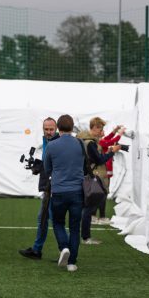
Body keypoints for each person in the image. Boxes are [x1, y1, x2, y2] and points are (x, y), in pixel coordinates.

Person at [43, 114, 88, 272]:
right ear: (72, 126)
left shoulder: (52, 145)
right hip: (77, 191)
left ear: (58, 128)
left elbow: (47, 169)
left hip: (59, 190)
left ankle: (63, 247)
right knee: (75, 227)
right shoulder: (80, 143)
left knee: (57, 222)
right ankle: (72, 263)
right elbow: (84, 163)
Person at [77, 117, 121, 245]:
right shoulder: (90, 143)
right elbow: (100, 160)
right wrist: (112, 152)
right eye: (100, 129)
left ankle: (82, 236)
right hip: (90, 178)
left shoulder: (81, 140)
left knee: (83, 208)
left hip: (82, 176)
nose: (101, 132)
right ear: (95, 127)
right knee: (88, 209)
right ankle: (86, 237)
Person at [19, 117, 57, 260]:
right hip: (48, 186)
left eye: (51, 129)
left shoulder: (56, 142)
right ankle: (37, 249)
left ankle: (65, 250)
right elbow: (48, 163)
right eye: (46, 129)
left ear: (56, 128)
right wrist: (38, 167)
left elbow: (56, 164)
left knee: (53, 220)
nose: (48, 132)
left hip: (55, 187)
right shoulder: (45, 141)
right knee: (43, 218)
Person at [95, 123, 126, 223]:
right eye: (102, 130)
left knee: (101, 193)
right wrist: (120, 133)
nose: (104, 132)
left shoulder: (100, 140)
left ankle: (96, 216)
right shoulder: (101, 142)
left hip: (104, 171)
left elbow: (109, 137)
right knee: (102, 194)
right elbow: (112, 141)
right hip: (103, 171)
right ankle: (99, 216)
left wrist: (115, 129)